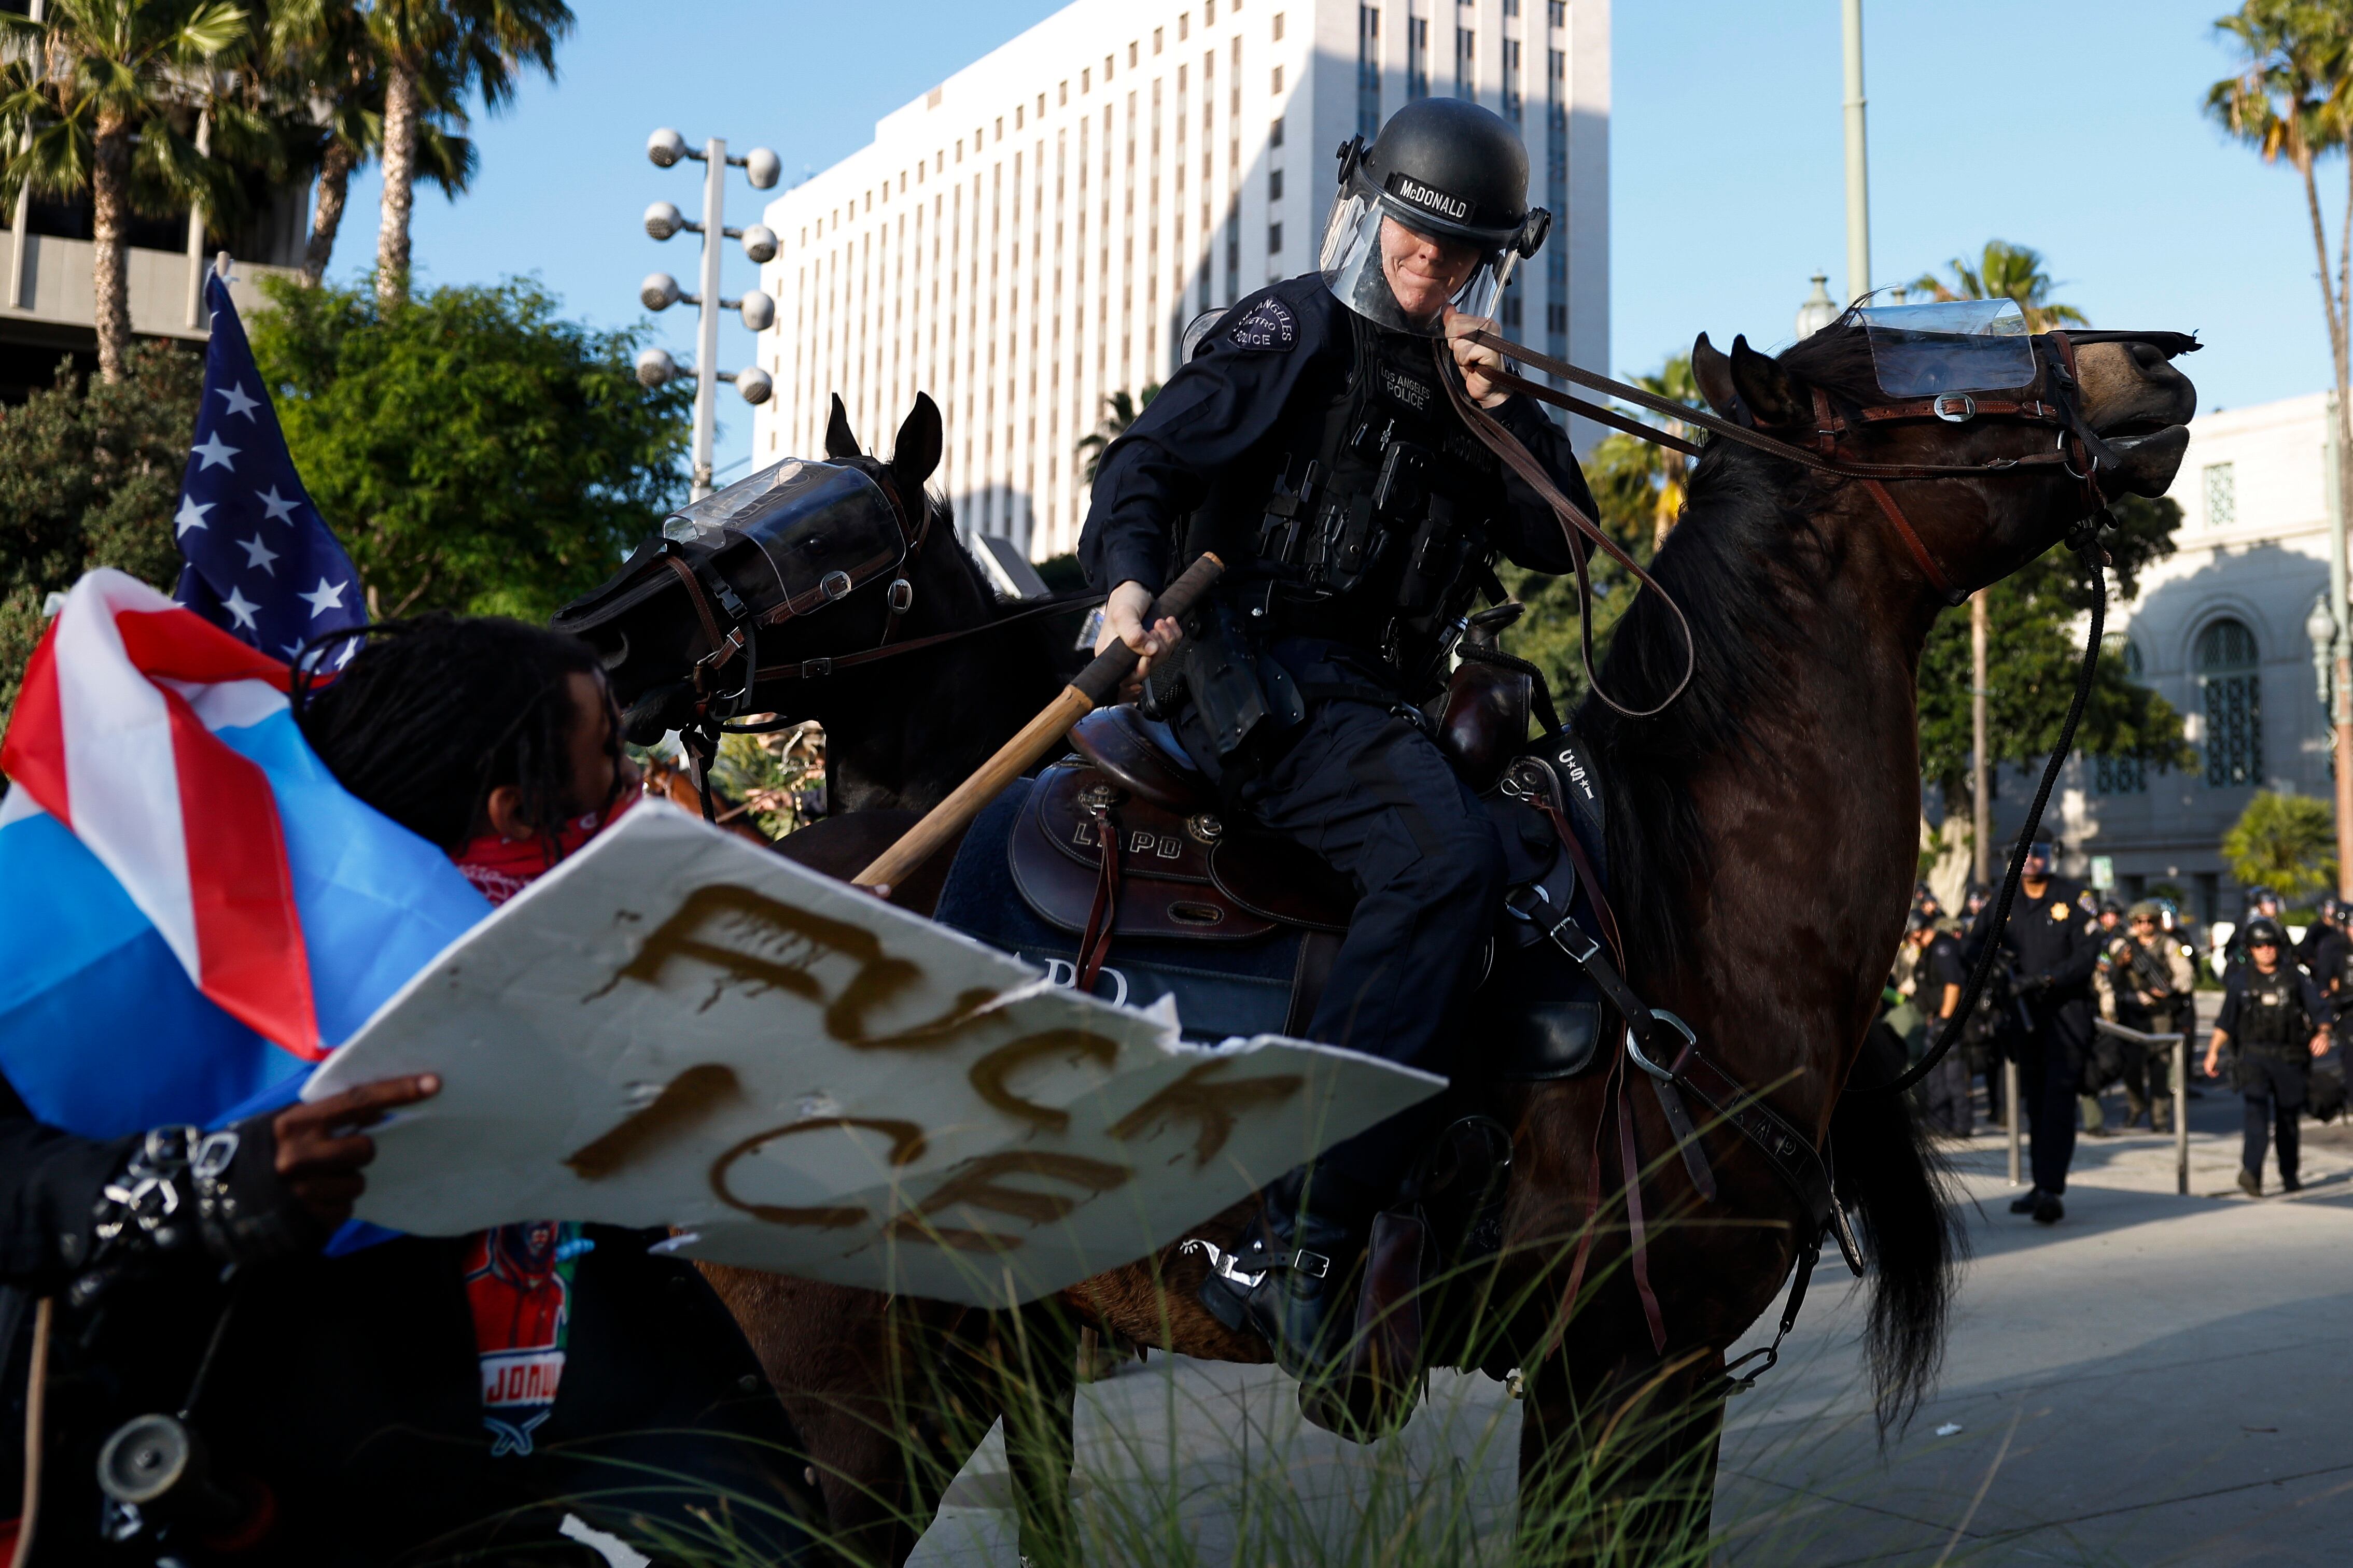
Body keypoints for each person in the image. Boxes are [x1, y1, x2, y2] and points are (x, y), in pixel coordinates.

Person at [0, 616, 817, 1565]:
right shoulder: (113, 943)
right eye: (610, 762)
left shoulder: (529, 966)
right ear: (513, 814)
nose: (643, 794)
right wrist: (226, 1180)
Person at [1080, 96, 1585, 1382]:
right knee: (1437, 860)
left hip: (1388, 700)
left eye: (1459, 258)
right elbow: (1143, 461)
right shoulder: (1290, 325)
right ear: (1370, 216)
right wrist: (1128, 582)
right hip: (1258, 673)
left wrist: (1510, 412)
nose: (1431, 272)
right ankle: (1298, 1229)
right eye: (1414, 243)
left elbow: (1568, 540)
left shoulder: (1471, 376)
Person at [1977, 839, 2102, 1224]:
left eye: (2040, 852)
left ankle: (2051, 1188)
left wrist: (2044, 979)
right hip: (2021, 1017)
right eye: (2024, 853)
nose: (2032, 861)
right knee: (2035, 1103)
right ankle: (2040, 1183)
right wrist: (1995, 971)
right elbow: (1972, 944)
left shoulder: (2075, 896)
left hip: (2065, 1016)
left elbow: (2087, 954)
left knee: (2059, 1102)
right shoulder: (2004, 897)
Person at [2203, 916, 2331, 1195]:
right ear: (2250, 949)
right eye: (2259, 945)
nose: (2266, 950)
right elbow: (2226, 1022)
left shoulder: (2295, 978)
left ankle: (2289, 1174)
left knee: (2287, 1119)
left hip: (2290, 1058)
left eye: (2271, 944)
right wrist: (2213, 1052)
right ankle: (2252, 1173)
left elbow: (2320, 1011)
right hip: (2254, 1058)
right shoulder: (2241, 981)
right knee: (2256, 1116)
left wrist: (2324, 1033)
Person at [2097, 900, 2194, 1132]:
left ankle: (2160, 1118)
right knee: (2131, 1067)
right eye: (2140, 922)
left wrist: (2168, 988)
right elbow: (2104, 972)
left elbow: (2186, 975)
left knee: (2160, 1067)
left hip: (2160, 1013)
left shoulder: (2170, 945)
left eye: (2150, 921)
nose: (2145, 926)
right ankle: (2136, 1106)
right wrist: (2120, 964)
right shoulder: (2123, 945)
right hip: (2131, 1013)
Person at [1904, 914, 1972, 1135]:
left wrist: (1945, 1019)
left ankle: (1961, 1125)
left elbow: (1953, 985)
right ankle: (1939, 1124)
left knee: (1953, 1076)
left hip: (1949, 1021)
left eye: (1910, 939)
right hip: (1937, 1018)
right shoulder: (1931, 950)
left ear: (1917, 932)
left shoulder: (1943, 948)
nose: (1911, 944)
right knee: (1936, 1078)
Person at [2222, 885, 2286, 974]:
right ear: (2258, 905)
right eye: (2269, 902)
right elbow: (2234, 950)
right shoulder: (2246, 924)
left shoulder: (2276, 925)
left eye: (2273, 902)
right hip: (2247, 970)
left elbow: (2286, 949)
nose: (2273, 906)